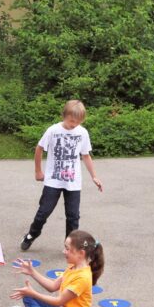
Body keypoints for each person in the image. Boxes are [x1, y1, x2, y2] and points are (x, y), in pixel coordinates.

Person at [20, 100, 103, 252]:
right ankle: (31, 235)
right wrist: (38, 171)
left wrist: (94, 176)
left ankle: (70, 246)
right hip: (53, 181)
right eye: (72, 121)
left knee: (73, 216)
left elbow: (85, 155)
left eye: (78, 122)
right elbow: (39, 148)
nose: (74, 124)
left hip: (73, 182)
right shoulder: (53, 130)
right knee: (43, 212)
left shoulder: (82, 133)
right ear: (64, 115)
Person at [8, 230, 105, 307]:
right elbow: (53, 286)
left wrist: (33, 293)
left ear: (81, 253)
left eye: (67, 249)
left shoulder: (82, 278)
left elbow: (58, 301)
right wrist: (32, 272)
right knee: (27, 296)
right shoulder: (73, 267)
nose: (64, 251)